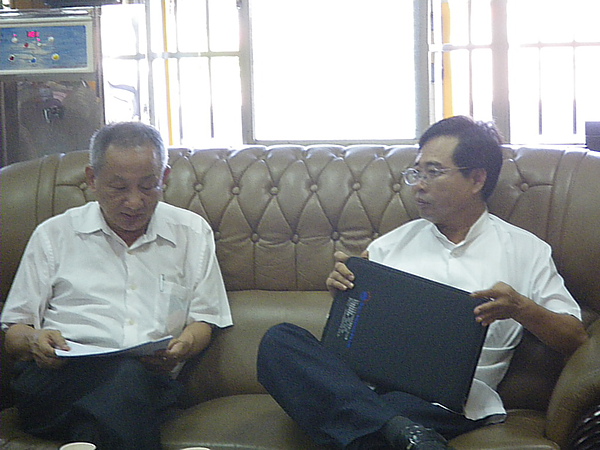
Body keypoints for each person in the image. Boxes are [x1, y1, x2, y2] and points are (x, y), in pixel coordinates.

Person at [256, 116, 588, 450]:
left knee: (356, 417)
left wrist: (521, 308)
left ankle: (386, 426)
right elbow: (348, 339)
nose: (418, 185)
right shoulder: (391, 246)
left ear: (476, 179)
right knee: (279, 340)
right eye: (416, 173)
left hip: (448, 401)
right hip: (367, 383)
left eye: (433, 172)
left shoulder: (526, 250)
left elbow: (574, 337)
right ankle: (404, 433)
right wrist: (344, 296)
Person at [1, 121, 233, 450]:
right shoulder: (54, 235)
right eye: (119, 187)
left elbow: (205, 320)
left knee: (116, 395)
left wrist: (184, 345)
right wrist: (35, 340)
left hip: (148, 380)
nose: (135, 202)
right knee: (124, 385)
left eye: (148, 186)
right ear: (92, 179)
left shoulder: (191, 233)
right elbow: (14, 334)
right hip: (57, 381)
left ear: (165, 178)